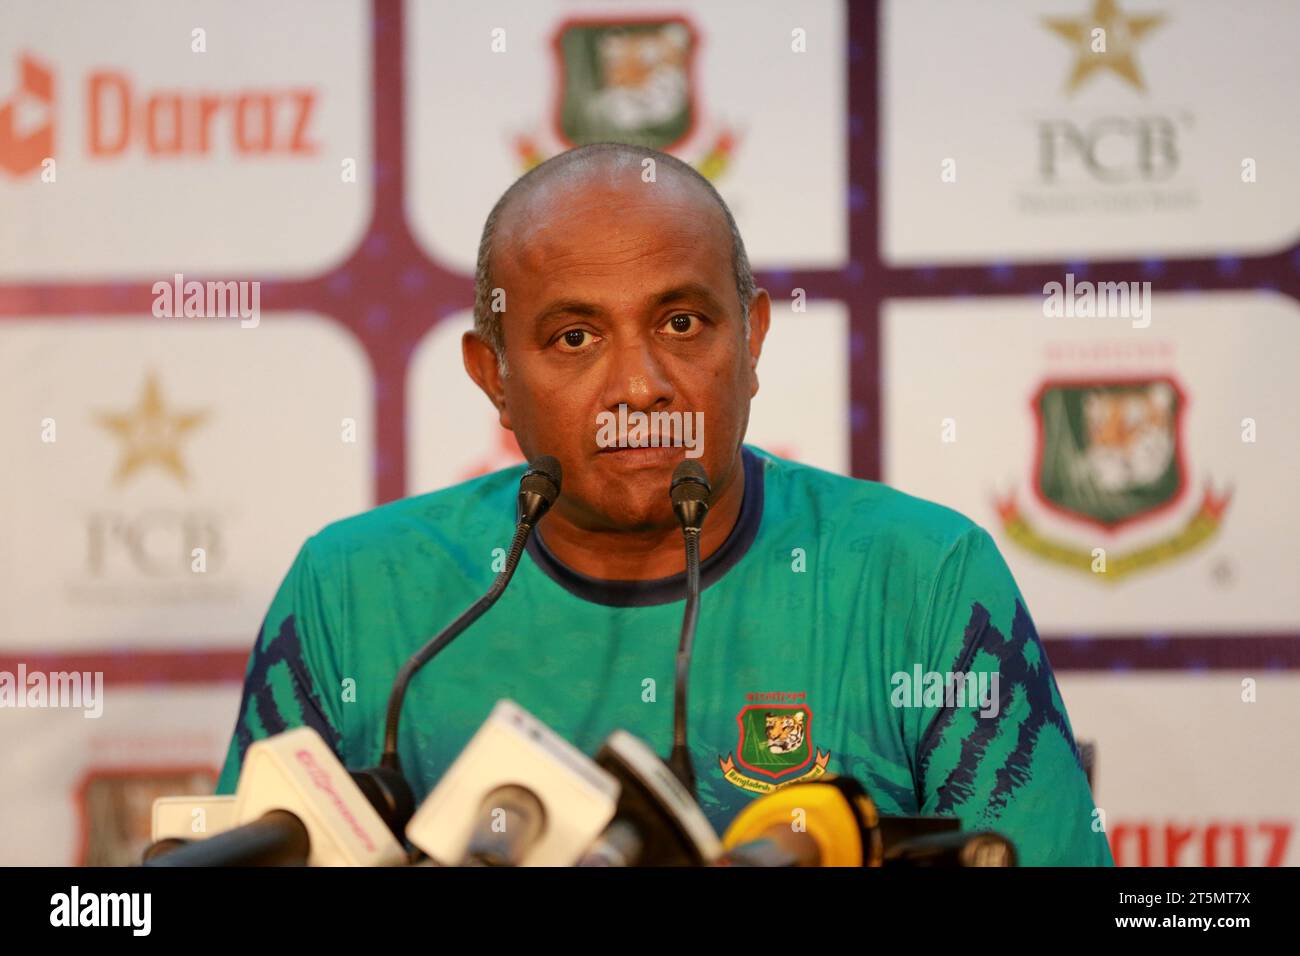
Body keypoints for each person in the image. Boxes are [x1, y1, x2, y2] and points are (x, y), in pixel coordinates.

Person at [215, 142, 1113, 866]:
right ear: (494, 376)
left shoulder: (923, 578)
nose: (640, 387)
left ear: (751, 339)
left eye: (682, 324)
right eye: (574, 337)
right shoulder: (353, 588)